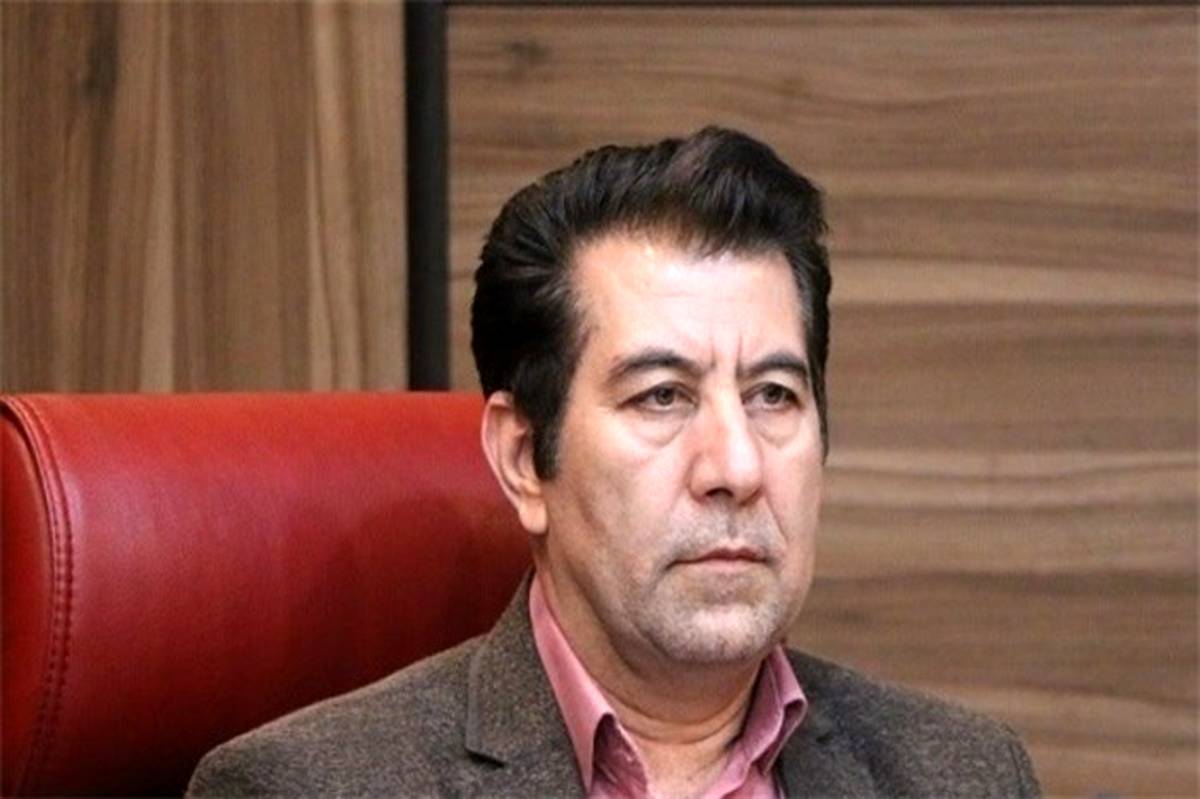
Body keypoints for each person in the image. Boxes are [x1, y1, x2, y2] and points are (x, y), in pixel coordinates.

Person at [188, 127, 1040, 797]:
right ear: (525, 457)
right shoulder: (307, 786)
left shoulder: (962, 774)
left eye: (774, 394)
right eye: (662, 396)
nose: (737, 466)